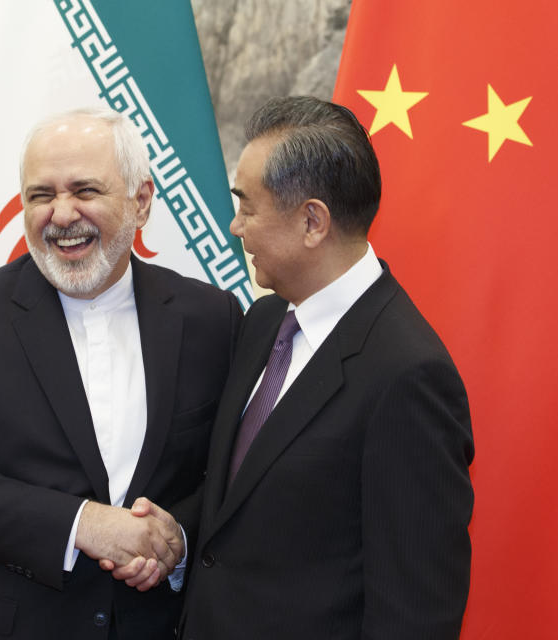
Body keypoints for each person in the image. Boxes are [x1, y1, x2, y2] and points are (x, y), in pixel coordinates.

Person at [0, 106, 242, 639]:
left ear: (141, 202)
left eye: (85, 190)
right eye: (40, 195)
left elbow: (230, 472)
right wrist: (85, 524)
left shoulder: (212, 318)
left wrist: (176, 538)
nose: (60, 213)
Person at [173, 96, 475, 639]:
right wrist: (174, 534)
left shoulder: (407, 376)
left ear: (313, 221)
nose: (234, 226)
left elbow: (415, 611)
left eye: (247, 207)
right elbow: (250, 505)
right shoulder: (265, 321)